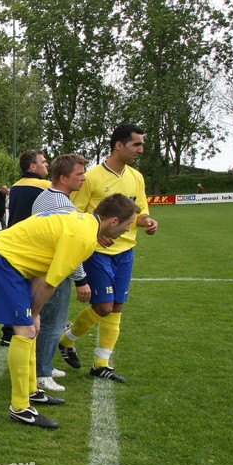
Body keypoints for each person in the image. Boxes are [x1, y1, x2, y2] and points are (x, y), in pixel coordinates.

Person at [0, 193, 138, 429]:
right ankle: (20, 408)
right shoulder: (82, 237)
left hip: (9, 256)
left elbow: (43, 264)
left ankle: (31, 391)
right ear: (114, 221)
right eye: (128, 224)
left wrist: (35, 313)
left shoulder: (82, 223)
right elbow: (49, 284)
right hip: (3, 260)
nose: (127, 230)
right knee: (25, 330)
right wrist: (34, 312)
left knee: (32, 329)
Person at [59, 123, 159, 384]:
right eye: (136, 144)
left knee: (117, 307)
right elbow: (75, 214)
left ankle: (101, 364)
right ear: (119, 145)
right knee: (103, 306)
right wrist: (95, 233)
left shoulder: (136, 177)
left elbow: (139, 212)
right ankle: (66, 340)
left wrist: (147, 221)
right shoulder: (91, 177)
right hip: (98, 251)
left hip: (126, 251)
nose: (141, 149)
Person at [31, 154, 92, 393]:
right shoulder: (63, 205)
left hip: (43, 267)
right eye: (79, 174)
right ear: (64, 178)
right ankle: (42, 373)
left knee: (47, 321)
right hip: (54, 270)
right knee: (53, 323)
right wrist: (81, 280)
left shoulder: (45, 196)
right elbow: (69, 248)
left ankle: (44, 365)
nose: (84, 178)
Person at [0, 150, 52, 347]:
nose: (47, 164)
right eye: (44, 162)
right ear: (33, 166)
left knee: (15, 289)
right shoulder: (44, 186)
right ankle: (32, 324)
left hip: (13, 242)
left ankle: (8, 332)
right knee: (34, 289)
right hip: (32, 244)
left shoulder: (15, 186)